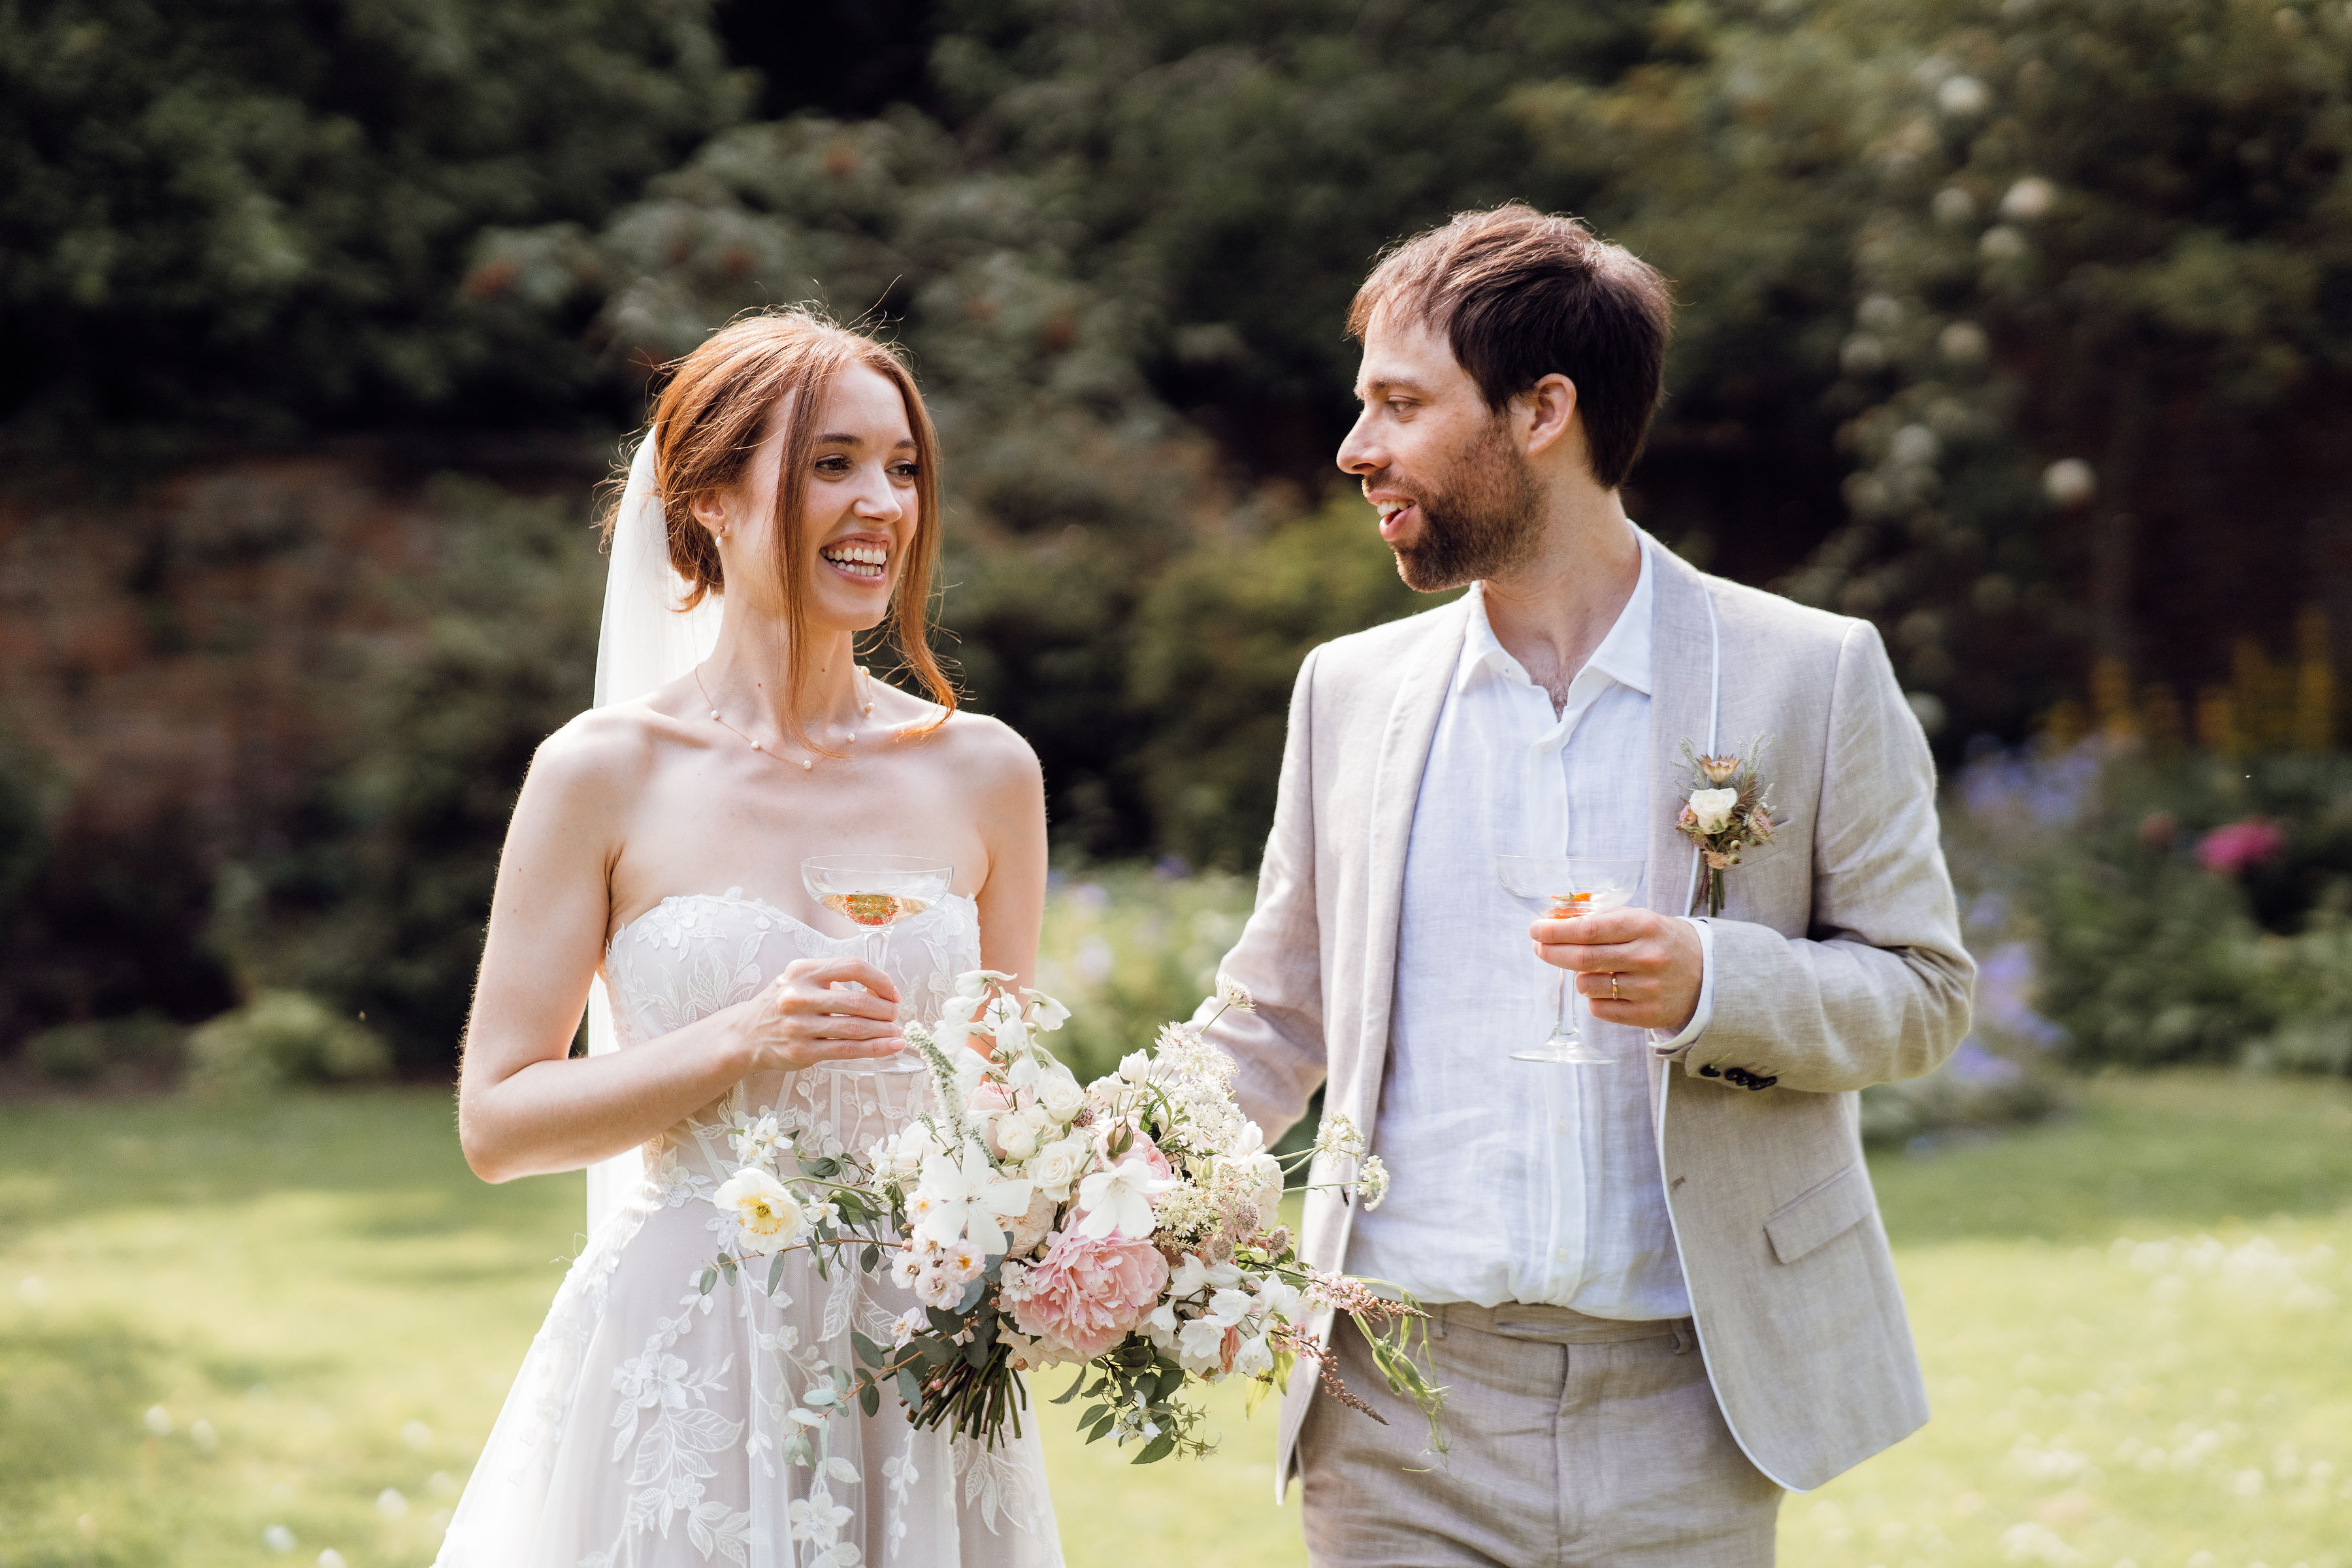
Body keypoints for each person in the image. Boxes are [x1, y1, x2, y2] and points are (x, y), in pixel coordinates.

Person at [1202, 206, 1976, 1567]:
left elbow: (1923, 995)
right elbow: (1276, 1010)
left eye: (1400, 405)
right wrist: (1091, 1169)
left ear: (1542, 411)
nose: (1355, 448)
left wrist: (1712, 983)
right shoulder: (1350, 691)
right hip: (1396, 1413)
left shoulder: (1810, 674)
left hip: (1690, 1411)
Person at [437, 309, 1063, 1567]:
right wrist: (740, 1038)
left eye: (902, 467)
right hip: (693, 1355)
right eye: (832, 463)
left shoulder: (988, 772)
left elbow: (1005, 1099)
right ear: (710, 499)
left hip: (920, 1354)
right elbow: (498, 1123)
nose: (882, 502)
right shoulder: (602, 773)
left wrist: (1104, 1214)